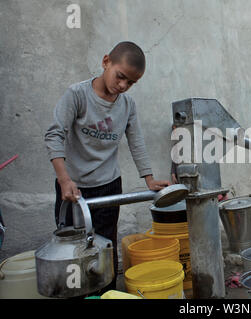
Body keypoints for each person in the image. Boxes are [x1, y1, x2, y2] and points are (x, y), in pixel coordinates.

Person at [44, 41, 170, 291]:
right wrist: (63, 179)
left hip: (109, 186)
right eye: (120, 76)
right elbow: (54, 135)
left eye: (130, 83)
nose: (123, 86)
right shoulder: (77, 95)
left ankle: (107, 294)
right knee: (74, 250)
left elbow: (136, 141)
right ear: (106, 62)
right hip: (74, 189)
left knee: (105, 247)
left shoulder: (127, 105)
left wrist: (149, 178)